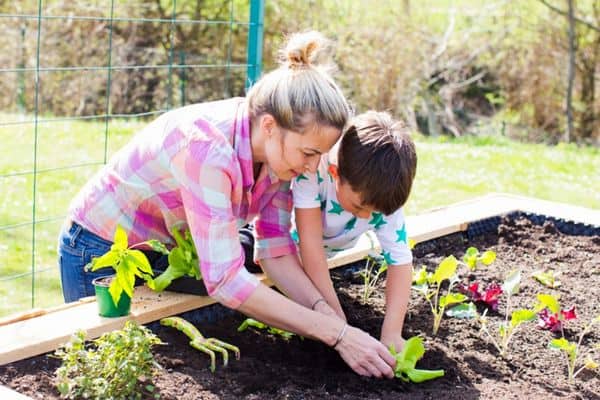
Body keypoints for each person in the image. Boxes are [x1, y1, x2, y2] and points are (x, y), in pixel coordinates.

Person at [58, 31, 397, 378]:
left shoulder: (278, 159)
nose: (312, 168)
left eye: (319, 156)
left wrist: (329, 316)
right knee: (115, 370)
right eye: (308, 153)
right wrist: (336, 334)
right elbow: (225, 281)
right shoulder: (207, 149)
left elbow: (275, 249)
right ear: (269, 125)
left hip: (158, 252)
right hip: (99, 252)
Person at [292, 110, 417, 352]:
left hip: (324, 256)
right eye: (359, 206)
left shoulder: (383, 196)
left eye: (376, 212)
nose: (366, 217)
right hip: (286, 251)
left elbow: (401, 263)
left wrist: (391, 332)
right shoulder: (313, 172)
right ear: (335, 173)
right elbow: (311, 248)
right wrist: (339, 322)